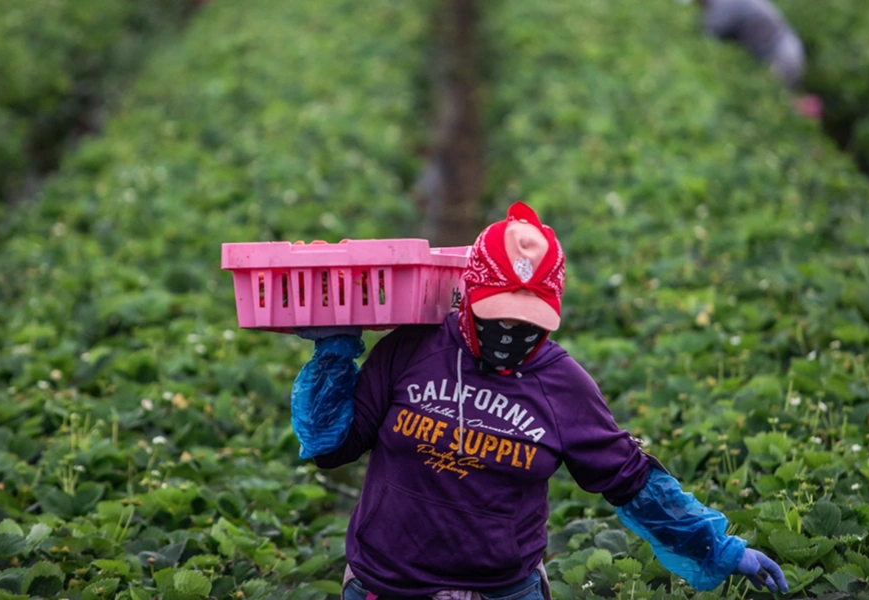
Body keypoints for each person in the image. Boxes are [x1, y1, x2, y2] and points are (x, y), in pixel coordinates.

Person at [291, 202, 789, 599]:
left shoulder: (561, 384)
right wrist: (333, 352)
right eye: (499, 315)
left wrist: (718, 548)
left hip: (503, 592)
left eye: (530, 323)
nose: (512, 333)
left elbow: (631, 480)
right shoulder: (413, 348)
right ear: (469, 294)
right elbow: (334, 446)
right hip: (387, 587)